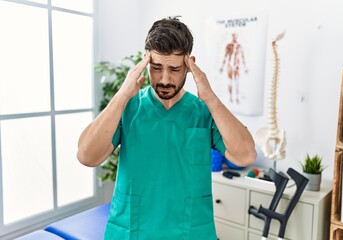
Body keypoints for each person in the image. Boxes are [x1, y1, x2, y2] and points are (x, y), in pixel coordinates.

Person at [77, 17, 256, 239]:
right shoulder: (128, 108)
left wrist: (210, 97)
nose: (164, 79)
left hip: (189, 232)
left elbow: (246, 155)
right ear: (146, 62)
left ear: (190, 65)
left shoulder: (203, 112)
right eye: (156, 67)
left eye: (174, 69)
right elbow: (87, 155)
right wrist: (122, 94)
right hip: (132, 232)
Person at [220, 32, 248, 103]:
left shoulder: (239, 46)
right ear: (232, 37)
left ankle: (237, 97)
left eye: (236, 37)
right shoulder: (229, 45)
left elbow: (242, 56)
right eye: (234, 37)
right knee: (230, 82)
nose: (235, 38)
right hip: (230, 65)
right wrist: (222, 67)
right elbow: (225, 56)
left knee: (236, 82)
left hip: (236, 66)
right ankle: (230, 97)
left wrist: (245, 67)